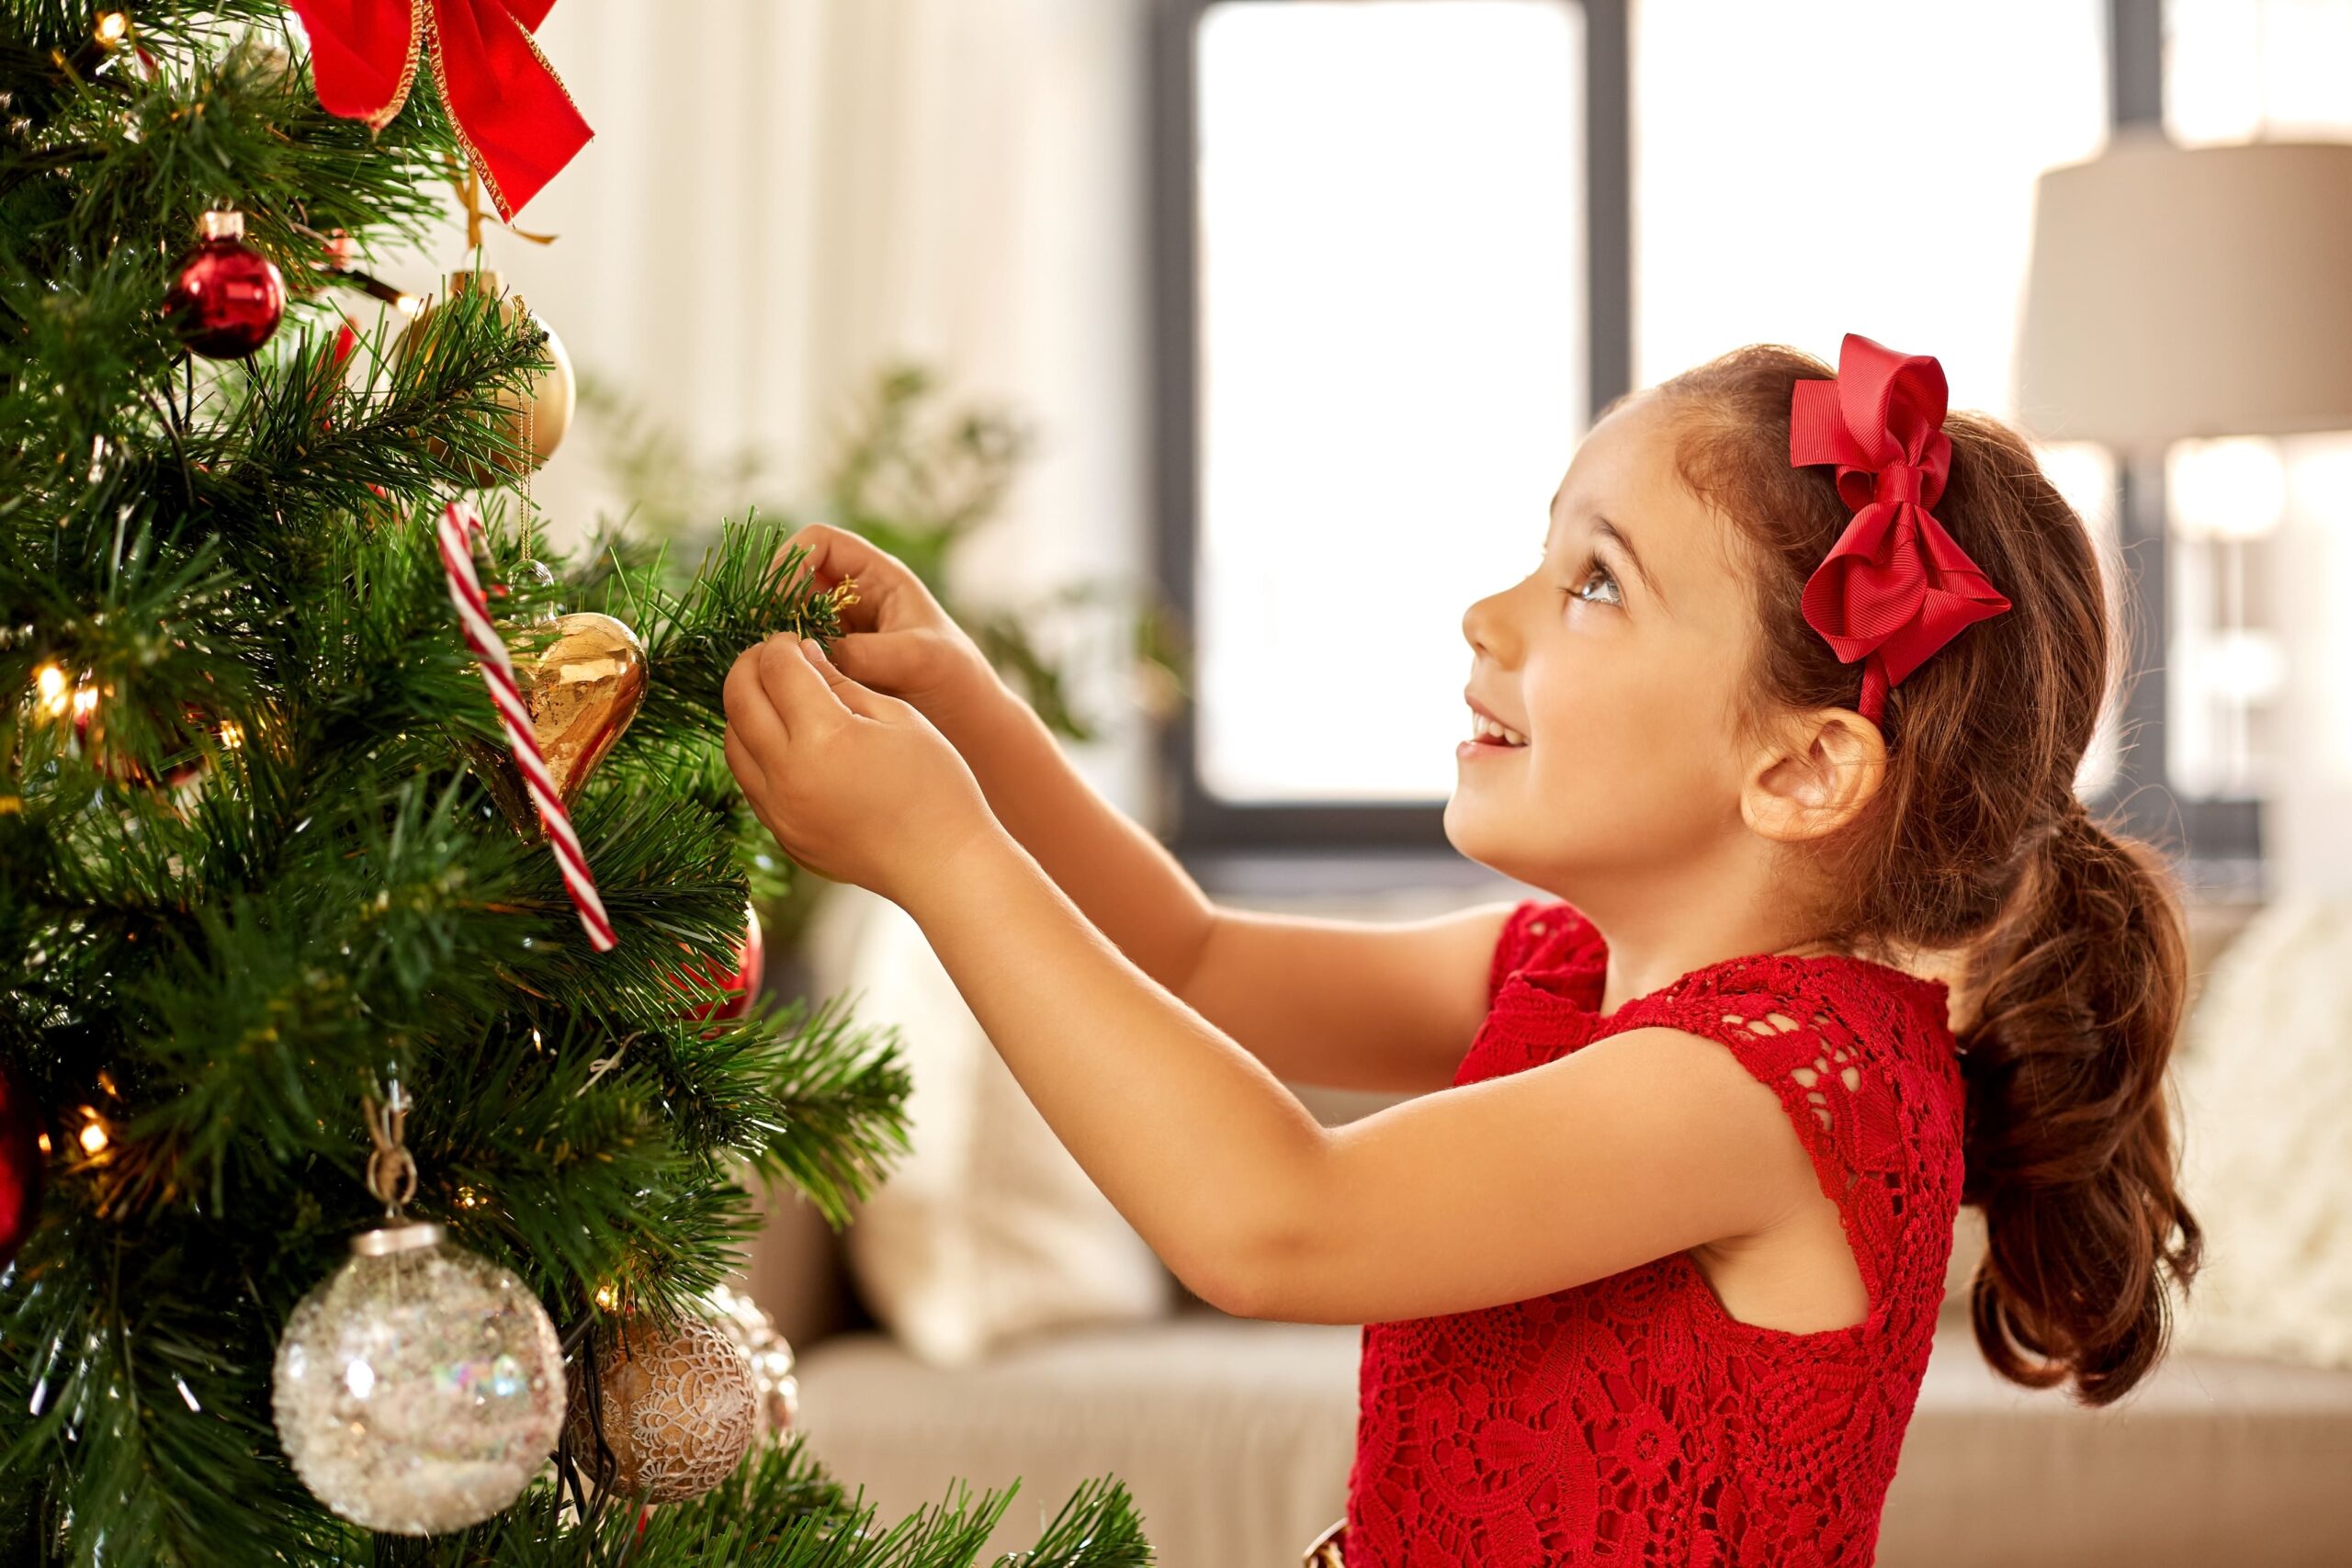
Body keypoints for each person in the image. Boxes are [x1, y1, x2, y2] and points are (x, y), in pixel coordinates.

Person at [719, 333, 2204, 1566]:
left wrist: (940, 854)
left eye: (1596, 583)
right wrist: (970, 716)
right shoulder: (1560, 971)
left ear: (1804, 769)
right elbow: (1192, 958)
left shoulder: (1788, 1092)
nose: (1488, 616)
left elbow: (1274, 1223)